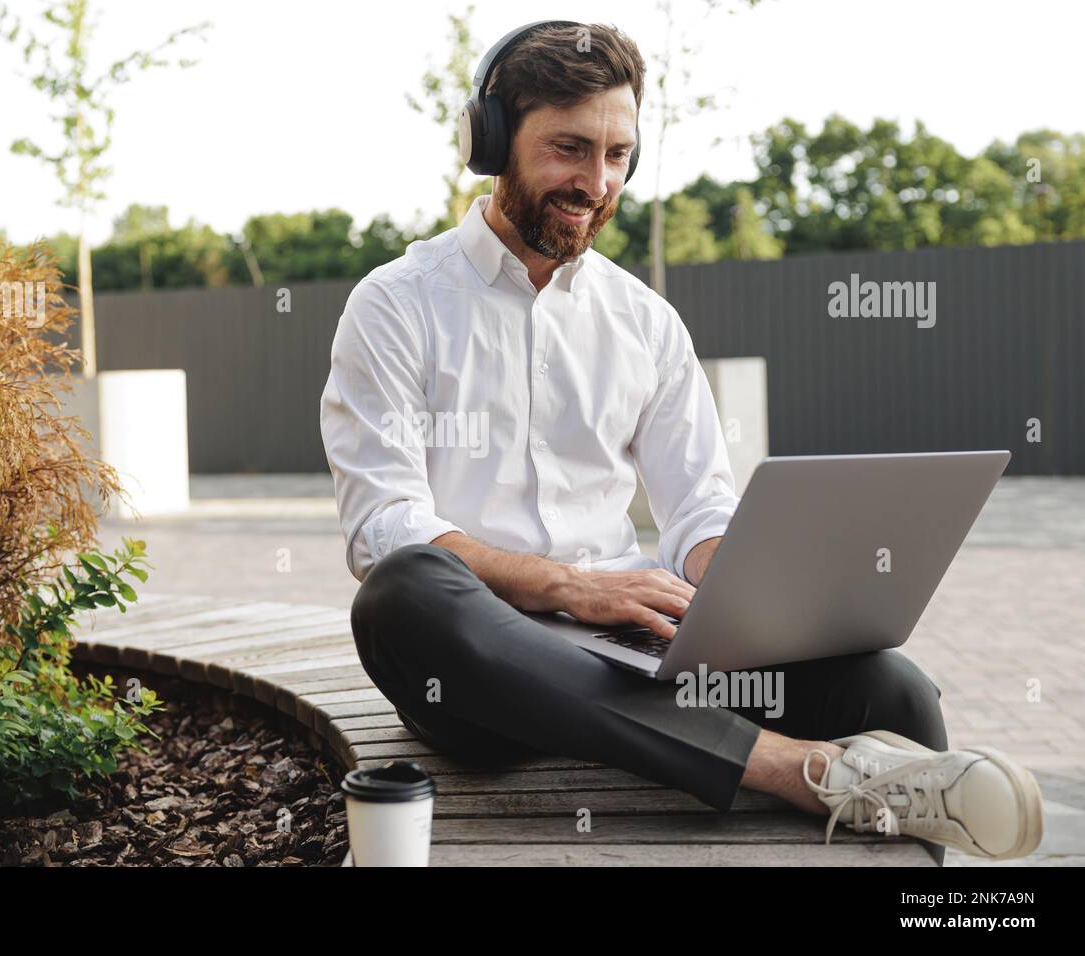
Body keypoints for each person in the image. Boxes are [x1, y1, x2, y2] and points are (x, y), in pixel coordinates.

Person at [319, 21, 1043, 862]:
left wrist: (739, 585)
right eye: (569, 148)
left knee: (892, 689)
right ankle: (796, 771)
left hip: (638, 650)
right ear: (490, 144)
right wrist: (568, 587)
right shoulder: (396, 305)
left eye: (619, 154)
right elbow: (383, 523)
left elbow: (699, 503)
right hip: (485, 664)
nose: (596, 182)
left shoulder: (644, 322)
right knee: (403, 594)